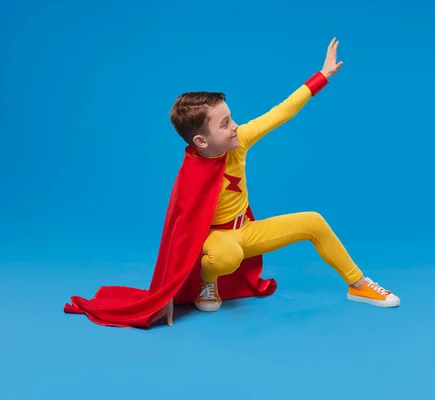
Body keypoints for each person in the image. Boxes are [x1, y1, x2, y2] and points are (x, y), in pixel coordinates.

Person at [64, 38, 399, 329]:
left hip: (246, 231)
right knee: (227, 253)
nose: (236, 126)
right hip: (217, 241)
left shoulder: (241, 139)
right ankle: (206, 284)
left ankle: (358, 284)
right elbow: (178, 236)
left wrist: (321, 76)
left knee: (313, 221)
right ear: (201, 141)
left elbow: (280, 112)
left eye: (232, 117)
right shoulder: (191, 174)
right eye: (225, 124)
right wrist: (161, 297)